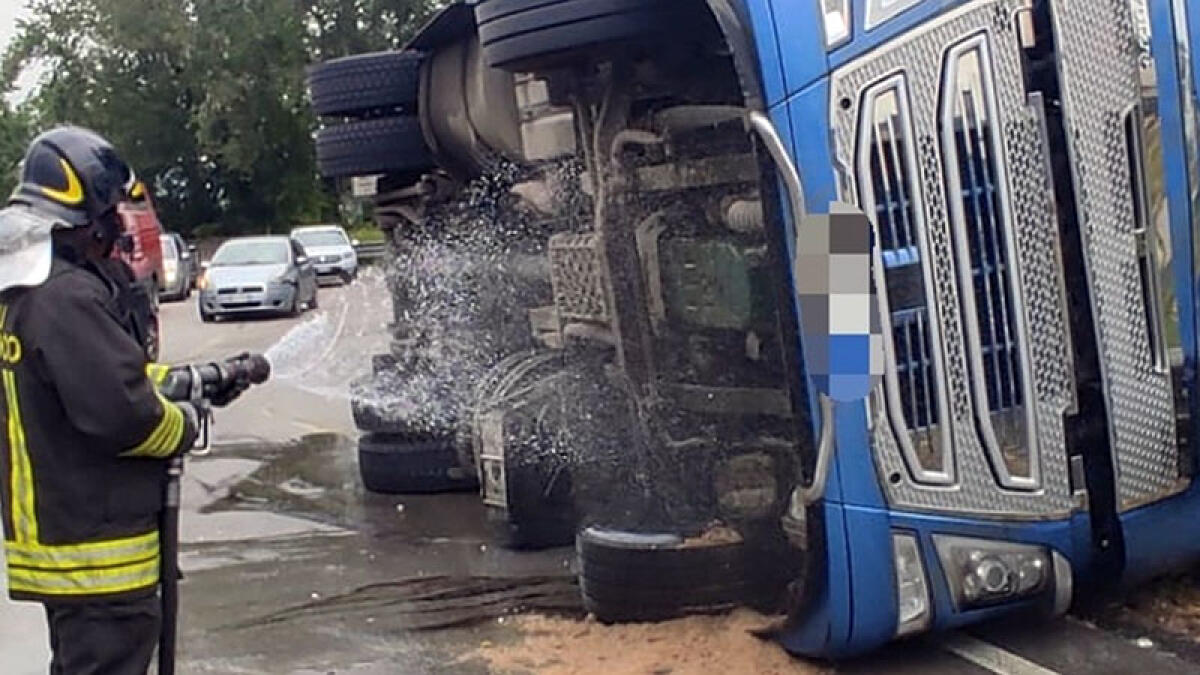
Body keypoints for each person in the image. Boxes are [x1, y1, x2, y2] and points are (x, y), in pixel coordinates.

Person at [0, 126, 199, 675]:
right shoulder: (64, 296)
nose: (115, 231)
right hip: (101, 553)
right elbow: (123, 414)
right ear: (81, 219)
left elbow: (87, 374)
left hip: (64, 549)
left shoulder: (20, 291)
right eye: (109, 214)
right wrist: (183, 423)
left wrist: (178, 379)